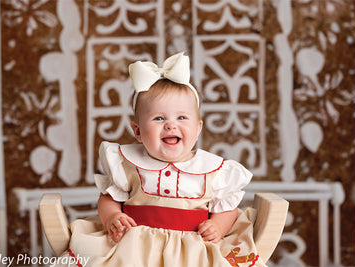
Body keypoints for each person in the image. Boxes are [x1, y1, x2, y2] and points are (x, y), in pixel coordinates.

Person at [56, 52, 264, 267]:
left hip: (191, 248)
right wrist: (112, 217)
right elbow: (109, 198)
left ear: (198, 128)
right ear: (137, 131)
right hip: (134, 245)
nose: (171, 125)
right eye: (159, 118)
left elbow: (226, 208)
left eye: (182, 117)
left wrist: (218, 226)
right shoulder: (128, 164)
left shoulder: (212, 170)